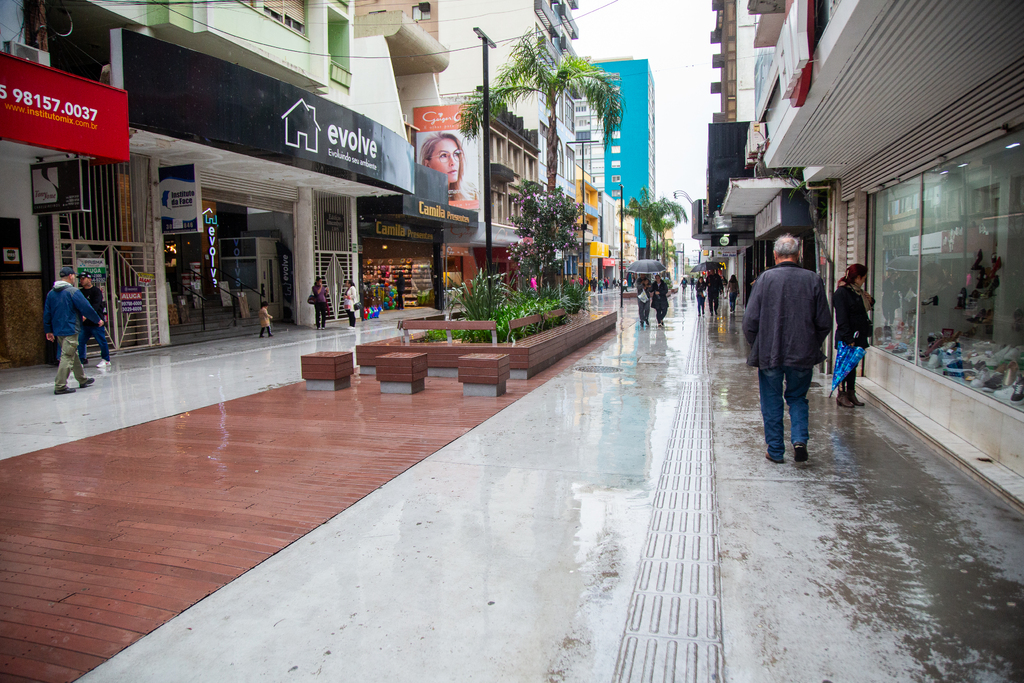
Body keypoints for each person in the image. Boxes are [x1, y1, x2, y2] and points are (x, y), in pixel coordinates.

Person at [742, 234, 832, 464]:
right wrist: (811, 343)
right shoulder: (813, 279)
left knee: (771, 400)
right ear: (798, 254)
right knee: (798, 397)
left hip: (771, 353)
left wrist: (759, 346)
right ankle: (800, 439)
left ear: (775, 254)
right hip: (802, 353)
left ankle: (775, 450)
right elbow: (824, 322)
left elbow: (750, 321)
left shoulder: (764, 279)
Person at [43, 266, 101, 395]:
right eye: (74, 276)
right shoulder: (73, 291)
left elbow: (47, 312)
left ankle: (82, 379)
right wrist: (97, 320)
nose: (75, 278)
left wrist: (48, 330)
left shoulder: (51, 293)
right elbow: (86, 308)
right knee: (67, 356)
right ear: (71, 276)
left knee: (72, 354)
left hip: (58, 330)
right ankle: (60, 385)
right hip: (70, 328)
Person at [833, 263, 873, 407]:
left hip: (859, 335)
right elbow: (841, 318)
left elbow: (863, 310)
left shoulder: (858, 292)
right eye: (863, 278)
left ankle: (851, 392)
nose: (864, 281)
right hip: (847, 337)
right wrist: (849, 338)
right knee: (844, 366)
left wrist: (869, 300)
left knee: (853, 366)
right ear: (857, 277)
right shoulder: (842, 293)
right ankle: (841, 394)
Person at [420, 132, 477, 205]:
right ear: (427, 164)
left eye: (456, 154)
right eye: (443, 155)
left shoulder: (471, 192)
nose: (453, 162)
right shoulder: (420, 194)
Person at [77, 272, 110, 368]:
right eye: (80, 279)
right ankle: (81, 359)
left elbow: (95, 306)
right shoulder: (80, 292)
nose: (81, 280)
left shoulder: (96, 291)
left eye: (83, 278)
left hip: (96, 322)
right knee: (80, 341)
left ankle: (106, 359)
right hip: (85, 323)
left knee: (101, 341)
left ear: (90, 279)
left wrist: (87, 315)